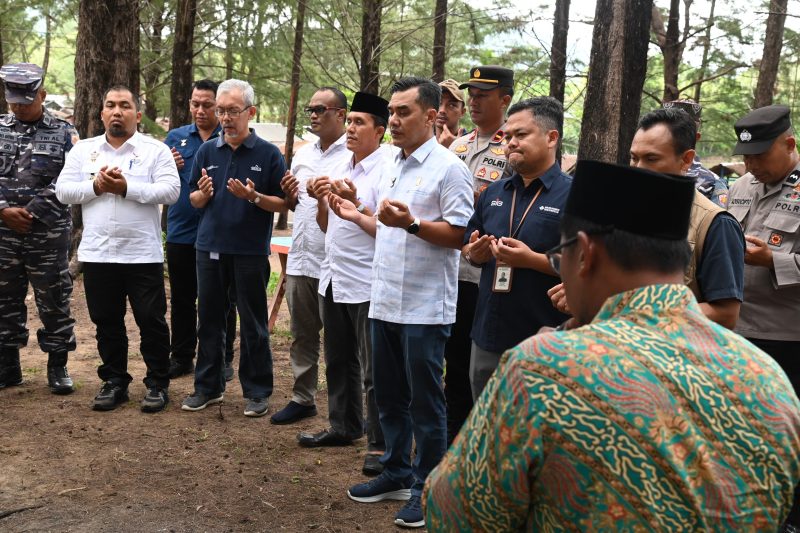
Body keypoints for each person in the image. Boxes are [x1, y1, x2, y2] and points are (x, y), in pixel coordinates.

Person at [424, 160, 800, 531]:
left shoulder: (543, 369)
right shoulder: (769, 380)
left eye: (560, 257)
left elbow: (454, 514)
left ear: (584, 254)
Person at [344, 77, 473, 529]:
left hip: (424, 306)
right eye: (392, 113)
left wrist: (414, 224)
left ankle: (427, 486)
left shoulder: (448, 168)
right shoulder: (391, 165)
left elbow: (460, 235)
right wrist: (356, 210)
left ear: (432, 116)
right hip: (385, 300)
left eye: (403, 113)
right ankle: (397, 471)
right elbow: (386, 227)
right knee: (390, 397)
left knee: (425, 401)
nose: (394, 121)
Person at [55, 85, 179, 412]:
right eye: (110, 105)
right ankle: (114, 382)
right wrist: (95, 186)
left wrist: (128, 188)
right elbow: (63, 191)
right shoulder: (84, 151)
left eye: (125, 106)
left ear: (137, 115)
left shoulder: (155, 151)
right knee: (107, 321)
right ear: (102, 113)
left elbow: (171, 190)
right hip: (98, 254)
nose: (117, 111)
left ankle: (157, 384)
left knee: (151, 321)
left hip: (141, 253)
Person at [296, 92, 390, 477]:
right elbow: (325, 226)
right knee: (338, 359)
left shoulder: (386, 170)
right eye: (349, 122)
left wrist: (356, 208)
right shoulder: (342, 167)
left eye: (359, 123)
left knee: (373, 369)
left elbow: (389, 231)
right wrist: (323, 201)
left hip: (366, 280)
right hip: (332, 276)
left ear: (379, 132)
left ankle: (381, 444)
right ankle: (343, 425)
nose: (350, 129)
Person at [181, 79, 286, 418]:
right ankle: (207, 388)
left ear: (250, 112)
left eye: (232, 111)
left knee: (253, 323)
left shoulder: (268, 154)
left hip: (250, 252)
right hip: (209, 248)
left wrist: (253, 196)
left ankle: (257, 391)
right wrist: (203, 195)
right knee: (209, 320)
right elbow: (193, 200)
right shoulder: (207, 150)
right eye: (220, 110)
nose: (225, 118)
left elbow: (281, 203)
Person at [461, 96, 571, 400]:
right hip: (487, 333)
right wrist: (475, 253)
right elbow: (468, 243)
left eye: (520, 135)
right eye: (507, 136)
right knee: (485, 421)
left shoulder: (573, 196)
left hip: (542, 336)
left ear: (551, 138)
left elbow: (585, 264)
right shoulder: (493, 192)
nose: (510, 143)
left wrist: (532, 260)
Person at [442, 65, 515, 443]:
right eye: (471, 95)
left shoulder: (512, 147)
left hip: (484, 274)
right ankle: (454, 436)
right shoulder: (456, 145)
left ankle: (479, 438)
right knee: (453, 363)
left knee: (481, 362)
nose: (473, 102)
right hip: (450, 269)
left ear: (505, 100)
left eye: (482, 96)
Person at [270, 87, 351, 425]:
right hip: (302, 257)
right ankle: (303, 397)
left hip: (336, 262)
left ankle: (343, 409)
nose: (314, 115)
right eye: (310, 109)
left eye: (321, 109)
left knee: (339, 343)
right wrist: (289, 195)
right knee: (302, 333)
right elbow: (295, 205)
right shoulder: (303, 155)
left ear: (341, 115)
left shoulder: (354, 155)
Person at [629, 108, 744, 328]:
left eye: (651, 158)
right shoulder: (626, 210)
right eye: (634, 158)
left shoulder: (716, 224)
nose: (639, 168)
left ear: (686, 159)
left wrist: (644, 310)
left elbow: (726, 313)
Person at [0, 63, 76, 394]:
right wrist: (3, 210)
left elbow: (72, 179)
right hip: (4, 233)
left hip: (47, 234)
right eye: (13, 101)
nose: (18, 107)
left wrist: (30, 212)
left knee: (54, 296)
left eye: (25, 101)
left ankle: (57, 365)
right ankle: (7, 365)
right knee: (4, 297)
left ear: (42, 95)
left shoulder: (64, 133)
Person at [164, 79, 236, 381]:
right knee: (182, 298)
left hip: (219, 232)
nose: (201, 110)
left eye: (208, 104)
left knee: (222, 299)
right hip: (181, 231)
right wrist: (166, 163)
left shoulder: (232, 136)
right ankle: (181, 356)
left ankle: (223, 357)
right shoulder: (176, 138)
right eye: (196, 103)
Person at [728, 104, 800, 394]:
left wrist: (773, 261)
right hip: (735, 329)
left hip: (786, 336)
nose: (751, 166)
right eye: (746, 156)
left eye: (759, 155)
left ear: (789, 144)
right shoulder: (741, 186)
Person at [663, 99, 729, 207]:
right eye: (667, 131)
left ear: (696, 137)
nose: (672, 137)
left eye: (681, 132)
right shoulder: (647, 171)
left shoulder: (712, 184)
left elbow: (717, 221)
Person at [434, 79, 466, 149]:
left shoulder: (471, 144)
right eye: (439, 103)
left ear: (462, 112)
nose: (442, 110)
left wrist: (455, 149)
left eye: (451, 105)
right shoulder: (421, 143)